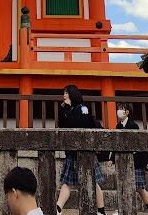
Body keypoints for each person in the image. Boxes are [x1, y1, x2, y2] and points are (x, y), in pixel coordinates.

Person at [56, 84, 106, 215]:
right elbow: (62, 125)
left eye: (67, 93)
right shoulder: (67, 109)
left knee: (93, 181)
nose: (64, 95)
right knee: (67, 182)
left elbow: (78, 124)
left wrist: (67, 112)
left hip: (85, 150)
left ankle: (101, 210)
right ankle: (58, 208)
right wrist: (64, 110)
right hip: (72, 151)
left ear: (72, 94)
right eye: (64, 93)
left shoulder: (83, 108)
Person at [109, 103, 148, 213]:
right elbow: (117, 144)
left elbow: (140, 144)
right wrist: (112, 159)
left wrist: (147, 161)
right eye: (118, 109)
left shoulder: (133, 126)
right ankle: (121, 208)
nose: (119, 111)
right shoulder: (118, 126)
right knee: (123, 186)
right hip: (123, 161)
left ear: (127, 112)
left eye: (121, 109)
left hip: (136, 161)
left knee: (140, 187)